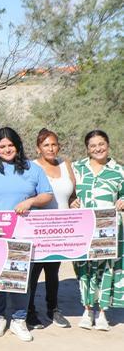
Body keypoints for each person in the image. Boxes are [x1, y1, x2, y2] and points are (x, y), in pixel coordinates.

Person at [0, 127, 53, 342]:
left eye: (10, 145)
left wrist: (30, 201)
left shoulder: (33, 168)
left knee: (20, 275)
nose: (6, 149)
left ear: (18, 145)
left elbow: (47, 194)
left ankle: (19, 319)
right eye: (2, 146)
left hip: (23, 233)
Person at [71, 130, 124, 330]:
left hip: (109, 230)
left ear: (108, 144)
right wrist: (71, 201)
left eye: (101, 144)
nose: (97, 149)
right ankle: (87, 309)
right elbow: (68, 192)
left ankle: (102, 312)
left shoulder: (119, 171)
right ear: (87, 149)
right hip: (84, 229)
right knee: (84, 269)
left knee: (106, 268)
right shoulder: (77, 168)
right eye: (93, 146)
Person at [27, 128, 75, 329]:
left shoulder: (66, 165)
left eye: (54, 144)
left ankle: (53, 308)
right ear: (38, 148)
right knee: (33, 271)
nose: (51, 148)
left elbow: (71, 194)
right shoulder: (31, 167)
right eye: (46, 145)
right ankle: (29, 310)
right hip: (38, 228)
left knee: (54, 270)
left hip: (61, 229)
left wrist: (73, 201)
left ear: (59, 146)